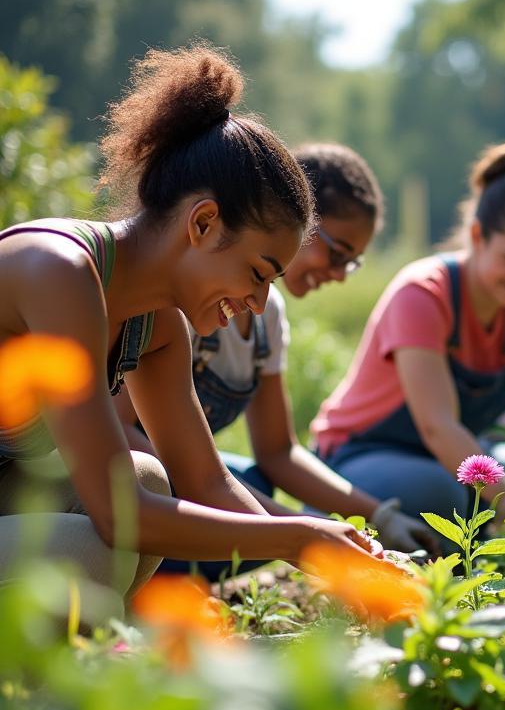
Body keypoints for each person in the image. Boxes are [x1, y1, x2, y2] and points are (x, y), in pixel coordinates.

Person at [0, 44, 373, 610]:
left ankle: (68, 665)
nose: (256, 303)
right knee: (94, 548)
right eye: (257, 273)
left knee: (147, 477)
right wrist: (302, 539)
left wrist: (335, 555)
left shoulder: (161, 326)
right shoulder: (60, 272)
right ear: (202, 222)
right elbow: (113, 513)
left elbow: (206, 483)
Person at [116, 143, 432, 571]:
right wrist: (303, 535)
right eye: (337, 253)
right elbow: (122, 444)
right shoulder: (174, 305)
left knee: (254, 482)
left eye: (352, 264)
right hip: (136, 485)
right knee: (162, 481)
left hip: (174, 486)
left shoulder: (262, 317)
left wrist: (375, 517)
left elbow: (276, 450)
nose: (339, 274)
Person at [310, 143, 505, 522]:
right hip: (354, 462)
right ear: (477, 235)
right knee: (443, 491)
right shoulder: (423, 293)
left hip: (449, 463)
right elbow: (437, 426)